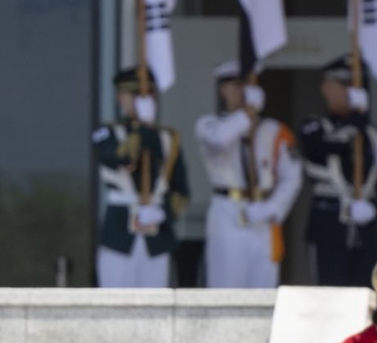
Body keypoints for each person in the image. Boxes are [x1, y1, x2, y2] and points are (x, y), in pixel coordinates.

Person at [195, 61, 301, 289]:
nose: (243, 92)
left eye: (248, 86)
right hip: (228, 212)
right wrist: (248, 113)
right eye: (237, 86)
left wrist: (273, 207)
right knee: (226, 289)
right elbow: (220, 140)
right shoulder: (210, 124)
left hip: (263, 216)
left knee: (263, 290)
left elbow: (292, 175)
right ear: (223, 90)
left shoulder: (274, 130)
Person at [299, 58, 377, 289]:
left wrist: (373, 210)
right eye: (342, 85)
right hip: (329, 229)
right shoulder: (314, 127)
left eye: (352, 86)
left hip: (364, 234)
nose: (347, 92)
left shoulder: (374, 136)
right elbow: (321, 149)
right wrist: (356, 121)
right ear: (326, 89)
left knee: (364, 297)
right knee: (330, 297)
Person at [93, 65, 186, 290]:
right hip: (119, 234)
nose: (139, 101)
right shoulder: (107, 133)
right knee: (116, 301)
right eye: (133, 95)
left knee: (155, 304)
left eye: (146, 95)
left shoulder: (168, 137)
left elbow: (180, 190)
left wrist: (162, 213)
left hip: (156, 237)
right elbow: (120, 156)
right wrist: (142, 128)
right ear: (120, 97)